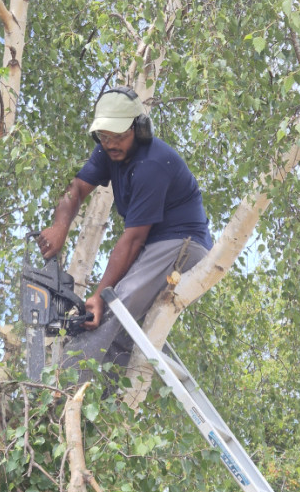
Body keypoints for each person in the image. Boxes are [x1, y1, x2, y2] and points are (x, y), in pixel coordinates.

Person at [37, 86, 213, 377]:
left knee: (114, 305)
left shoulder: (152, 165)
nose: (110, 144)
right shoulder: (108, 151)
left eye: (119, 136)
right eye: (104, 137)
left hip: (182, 244)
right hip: (155, 245)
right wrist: (59, 228)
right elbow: (77, 188)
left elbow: (132, 241)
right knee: (121, 326)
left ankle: (62, 382)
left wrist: (99, 294)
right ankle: (101, 397)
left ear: (140, 129)